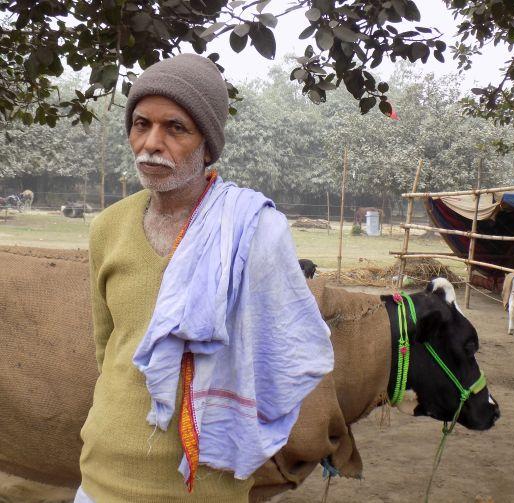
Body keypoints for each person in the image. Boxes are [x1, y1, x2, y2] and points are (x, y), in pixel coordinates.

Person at [76, 54, 334, 503]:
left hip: (208, 482)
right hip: (103, 474)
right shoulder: (107, 228)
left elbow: (289, 349)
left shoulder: (255, 232)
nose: (151, 143)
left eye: (175, 128)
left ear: (208, 145)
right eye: (141, 124)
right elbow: (107, 347)